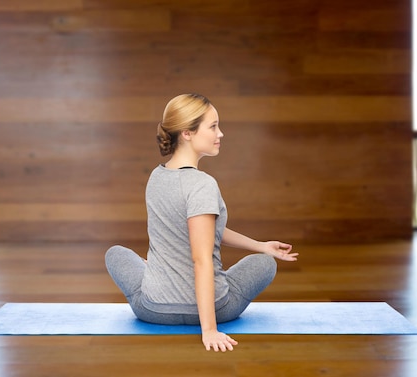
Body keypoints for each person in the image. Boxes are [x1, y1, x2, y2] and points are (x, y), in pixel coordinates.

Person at [105, 93, 298, 352]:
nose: (221, 134)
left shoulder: (156, 177)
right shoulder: (202, 185)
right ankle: (190, 297)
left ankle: (156, 271)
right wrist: (209, 329)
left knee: (115, 254)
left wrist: (261, 245)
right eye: (213, 126)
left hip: (153, 309)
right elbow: (201, 259)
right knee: (264, 265)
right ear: (187, 133)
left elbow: (209, 231)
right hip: (217, 310)